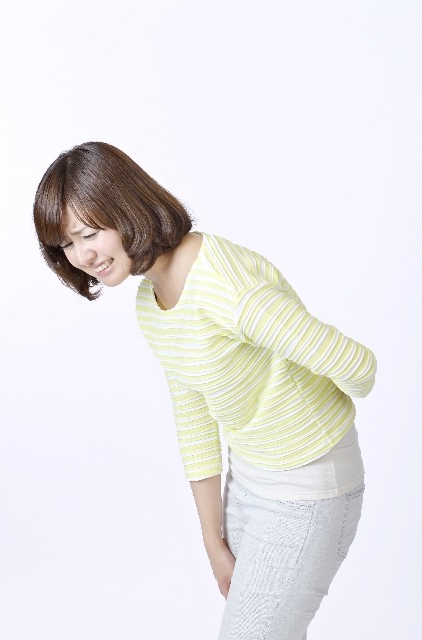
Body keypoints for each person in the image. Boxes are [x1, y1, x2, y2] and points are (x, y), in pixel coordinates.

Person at [33, 141, 377, 640]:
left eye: (89, 233)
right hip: (250, 480)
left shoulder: (224, 285)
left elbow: (357, 366)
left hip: (308, 486)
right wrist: (212, 541)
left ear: (127, 208)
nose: (82, 255)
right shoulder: (151, 303)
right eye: (66, 244)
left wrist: (303, 411)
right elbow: (194, 420)